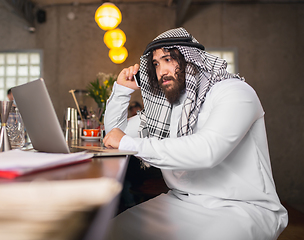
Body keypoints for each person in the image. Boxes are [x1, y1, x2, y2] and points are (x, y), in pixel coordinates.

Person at [103, 28, 288, 240]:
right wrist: (121, 91)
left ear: (191, 60)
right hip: (180, 201)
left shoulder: (235, 92)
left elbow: (208, 151)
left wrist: (131, 144)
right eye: (156, 63)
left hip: (241, 208)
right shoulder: (168, 109)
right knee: (108, 233)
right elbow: (115, 135)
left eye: (168, 59)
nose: (161, 70)